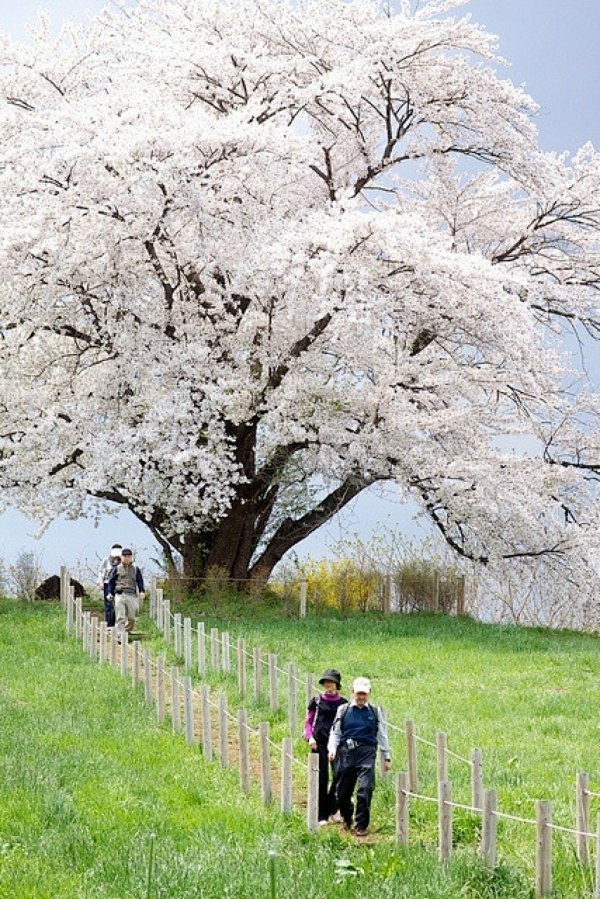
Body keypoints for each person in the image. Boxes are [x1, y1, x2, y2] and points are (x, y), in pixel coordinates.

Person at [328, 676, 392, 837]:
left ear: (369, 693)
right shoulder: (343, 710)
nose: (361, 697)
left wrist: (387, 756)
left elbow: (382, 735)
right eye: (358, 694)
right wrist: (332, 749)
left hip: (367, 753)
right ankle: (347, 818)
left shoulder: (375, 712)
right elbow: (335, 732)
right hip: (347, 753)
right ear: (352, 692)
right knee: (343, 792)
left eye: (364, 694)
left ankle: (361, 825)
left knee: (365, 788)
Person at [303, 668, 348, 825]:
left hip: (337, 745)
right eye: (326, 682)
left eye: (332, 682)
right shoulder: (316, 701)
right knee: (321, 778)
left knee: (340, 776)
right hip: (319, 744)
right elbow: (308, 722)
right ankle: (321, 814)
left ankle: (333, 806)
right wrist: (310, 738)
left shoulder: (344, 704)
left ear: (337, 684)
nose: (329, 685)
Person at [106, 548, 145, 641]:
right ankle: (120, 635)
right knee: (120, 616)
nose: (127, 558)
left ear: (132, 557)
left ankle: (125, 631)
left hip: (132, 594)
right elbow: (111, 582)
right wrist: (110, 593)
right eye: (125, 556)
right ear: (121, 557)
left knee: (132, 617)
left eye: (129, 556)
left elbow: (140, 581)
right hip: (120, 594)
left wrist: (142, 591)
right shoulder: (116, 568)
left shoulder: (136, 569)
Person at [96, 543, 122, 627]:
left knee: (119, 604)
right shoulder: (106, 560)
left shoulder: (123, 561)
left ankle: (117, 623)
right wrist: (100, 582)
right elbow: (101, 571)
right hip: (107, 583)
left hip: (119, 584)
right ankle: (109, 624)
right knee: (108, 604)